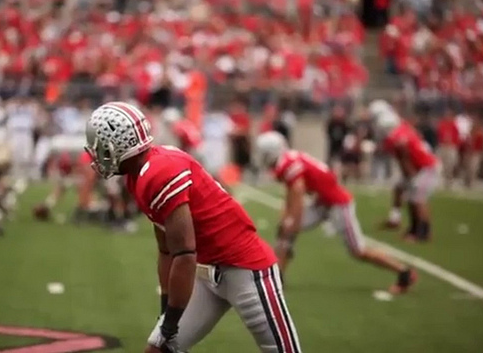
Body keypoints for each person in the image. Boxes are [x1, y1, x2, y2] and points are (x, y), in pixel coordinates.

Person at [85, 102, 301, 353]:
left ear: (117, 144)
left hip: (246, 269)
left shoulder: (157, 173)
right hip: (207, 273)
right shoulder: (140, 175)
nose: (96, 152)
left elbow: (184, 253)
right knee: (160, 349)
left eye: (99, 145)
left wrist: (171, 323)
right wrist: (167, 307)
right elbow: (165, 248)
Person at [255, 131, 417, 293]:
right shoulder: (288, 159)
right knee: (284, 231)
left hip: (338, 204)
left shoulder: (287, 164)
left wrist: (292, 222)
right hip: (323, 201)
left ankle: (404, 272)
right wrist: (287, 220)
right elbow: (293, 193)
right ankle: (277, 278)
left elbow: (298, 192)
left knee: (358, 251)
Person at [373, 102, 440, 242]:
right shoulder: (401, 129)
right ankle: (412, 227)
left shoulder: (396, 138)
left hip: (426, 168)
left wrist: (411, 177)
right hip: (420, 167)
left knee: (417, 198)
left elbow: (404, 159)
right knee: (404, 192)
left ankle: (423, 232)